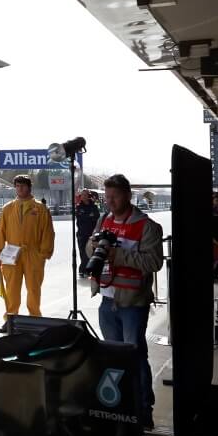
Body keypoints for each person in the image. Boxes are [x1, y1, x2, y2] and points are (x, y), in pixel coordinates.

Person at [85, 173, 166, 423]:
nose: (110, 201)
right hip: (107, 300)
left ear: (128, 195)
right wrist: (94, 246)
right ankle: (120, 409)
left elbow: (154, 262)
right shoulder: (103, 220)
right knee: (112, 358)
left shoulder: (147, 226)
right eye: (107, 197)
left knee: (135, 356)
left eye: (115, 197)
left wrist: (117, 255)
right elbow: (89, 248)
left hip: (132, 303)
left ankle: (143, 410)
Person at [0, 174, 55, 319]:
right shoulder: (7, 208)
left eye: (23, 186)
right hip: (10, 253)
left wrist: (43, 253)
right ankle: (11, 318)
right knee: (11, 288)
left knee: (33, 288)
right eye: (17, 186)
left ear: (29, 187)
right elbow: (0, 232)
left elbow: (48, 232)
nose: (20, 189)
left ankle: (35, 317)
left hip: (33, 253)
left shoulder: (40, 208)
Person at [72, 189, 101, 258]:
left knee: (93, 256)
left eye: (85, 195)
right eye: (82, 195)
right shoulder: (78, 207)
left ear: (88, 196)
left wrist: (87, 216)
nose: (83, 196)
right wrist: (89, 215)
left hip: (92, 235)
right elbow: (81, 218)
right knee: (84, 257)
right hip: (82, 235)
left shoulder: (94, 206)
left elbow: (96, 217)